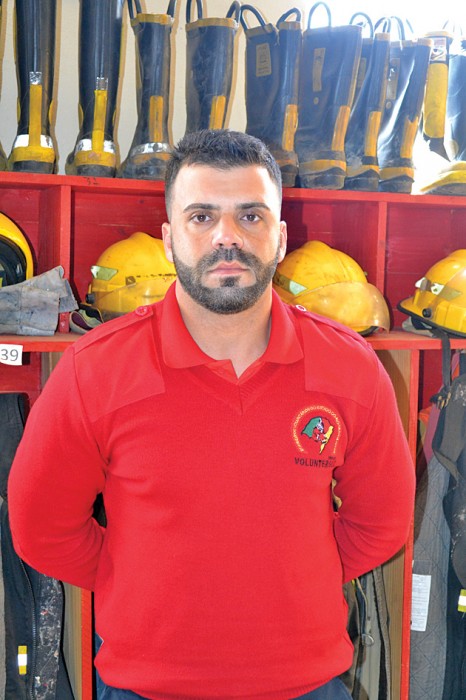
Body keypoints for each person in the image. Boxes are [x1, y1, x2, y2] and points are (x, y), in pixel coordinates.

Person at [8, 129, 415, 700]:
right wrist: (133, 579)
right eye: (202, 217)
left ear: (280, 237)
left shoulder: (350, 368)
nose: (228, 237)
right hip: (145, 688)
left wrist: (297, 583)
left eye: (251, 216)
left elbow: (380, 524)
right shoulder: (93, 370)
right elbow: (41, 529)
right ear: (169, 239)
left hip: (308, 686)